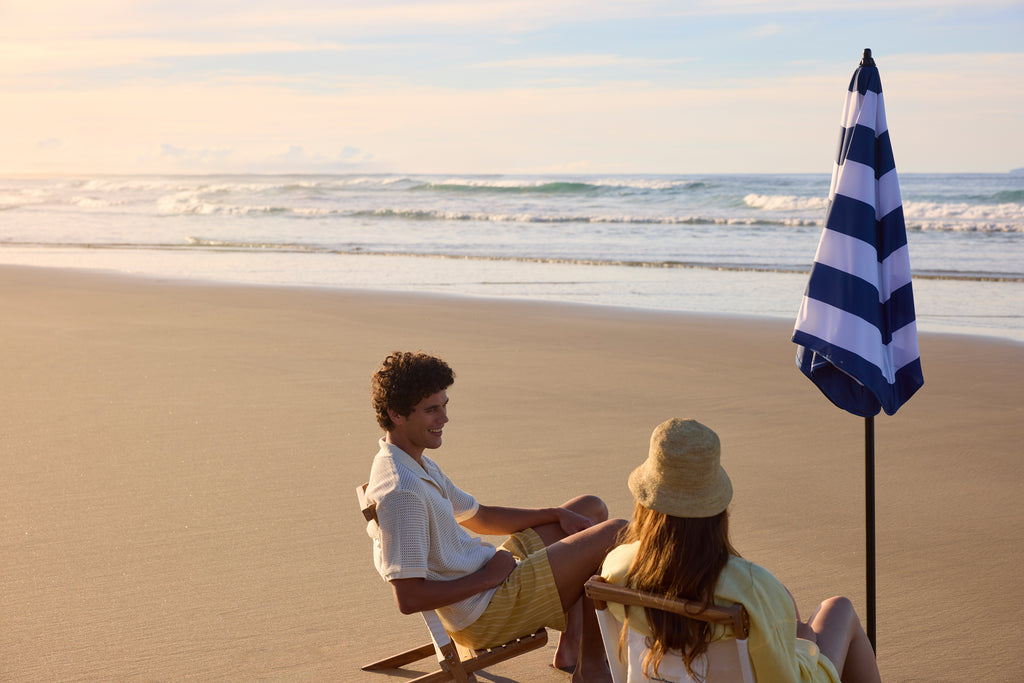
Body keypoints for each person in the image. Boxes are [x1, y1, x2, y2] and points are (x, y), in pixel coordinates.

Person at [364, 351, 628, 682]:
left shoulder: (413, 462)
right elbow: (409, 597)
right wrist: (488, 577)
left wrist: (556, 513)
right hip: (485, 610)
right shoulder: (402, 493)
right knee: (615, 532)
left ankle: (571, 647)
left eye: (445, 406)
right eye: (432, 410)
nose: (444, 418)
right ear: (396, 414)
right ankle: (591, 670)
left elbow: (480, 516)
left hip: (491, 576)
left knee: (588, 508)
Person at [601, 418, 882, 683]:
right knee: (839, 609)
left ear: (645, 504)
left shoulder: (616, 567)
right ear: (716, 511)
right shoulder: (752, 587)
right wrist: (804, 642)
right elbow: (781, 677)